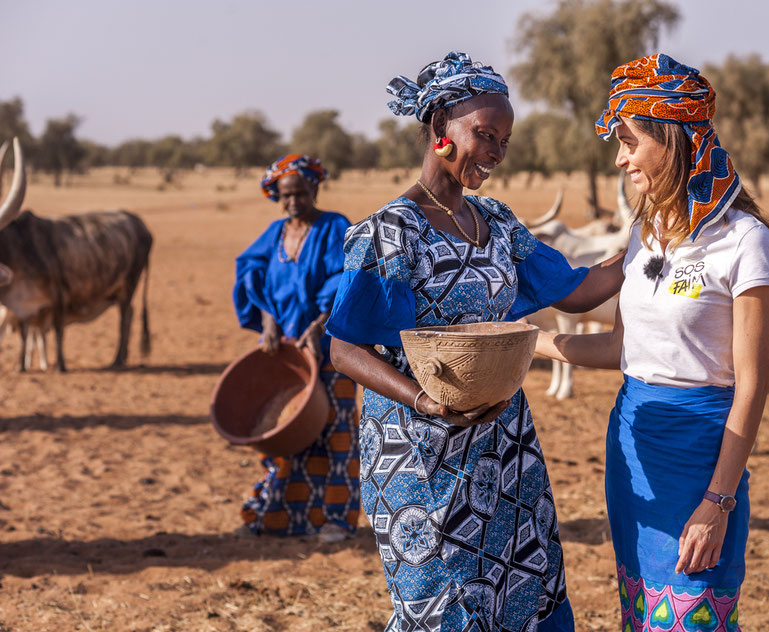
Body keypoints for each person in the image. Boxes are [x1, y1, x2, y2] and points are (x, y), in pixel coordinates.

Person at [327, 52, 624, 631]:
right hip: (417, 455)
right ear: (440, 128)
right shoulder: (390, 232)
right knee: (441, 605)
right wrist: (425, 400)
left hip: (505, 453)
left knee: (522, 592)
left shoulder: (498, 222)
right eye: (483, 134)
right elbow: (344, 348)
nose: (493, 153)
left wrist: (654, 247)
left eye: (503, 141)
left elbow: (577, 290)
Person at [534, 54, 769, 631]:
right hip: (632, 449)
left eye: (629, 141)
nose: (620, 158)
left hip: (701, 456)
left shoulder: (746, 242)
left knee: (695, 612)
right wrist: (530, 343)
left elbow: (753, 385)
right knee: (642, 614)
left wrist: (717, 502)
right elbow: (626, 349)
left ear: (673, 141)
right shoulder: (646, 234)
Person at [233, 154, 359, 540]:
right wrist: (269, 322)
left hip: (330, 348)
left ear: (314, 189)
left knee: (334, 432)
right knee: (283, 433)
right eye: (286, 195)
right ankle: (276, 517)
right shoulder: (274, 234)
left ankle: (335, 520)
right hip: (285, 351)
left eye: (300, 193)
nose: (293, 201)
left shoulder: (335, 226)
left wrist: (319, 324)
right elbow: (252, 275)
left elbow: (346, 279)